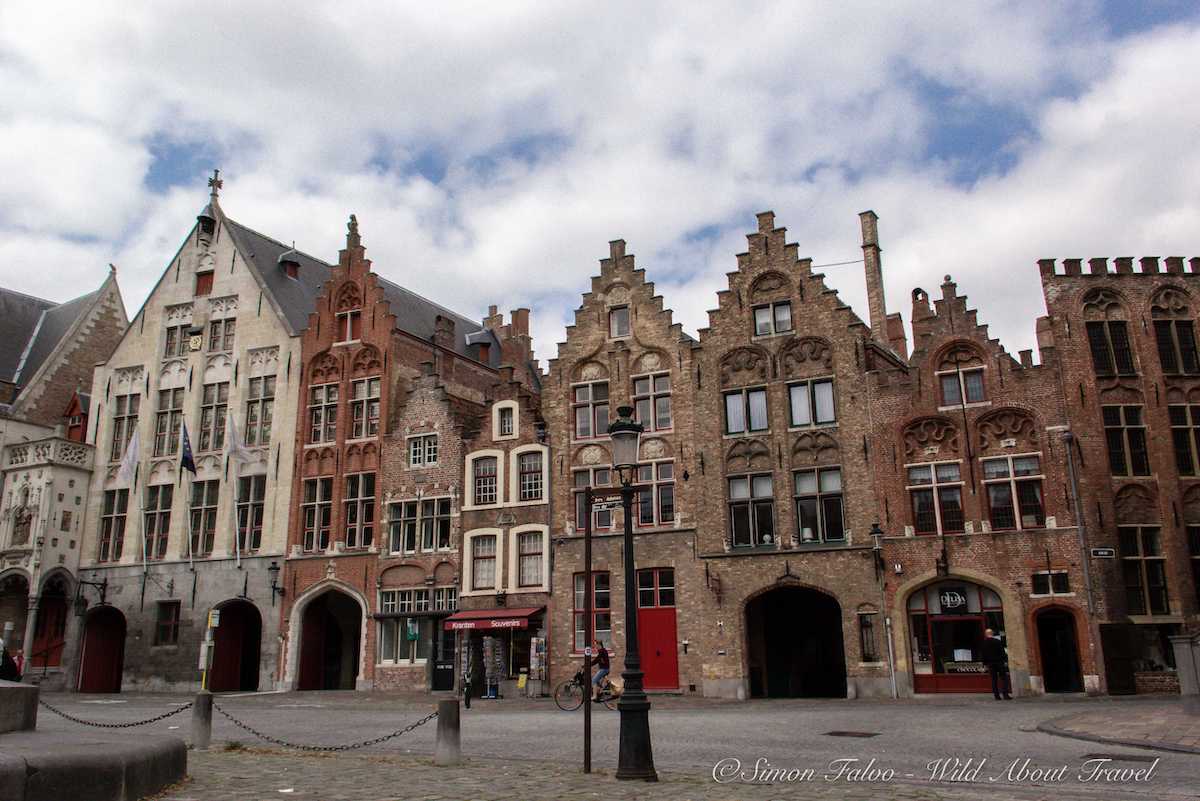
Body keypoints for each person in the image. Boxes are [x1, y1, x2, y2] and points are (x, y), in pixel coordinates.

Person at [982, 628, 1012, 700]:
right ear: (992, 634)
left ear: (986, 635)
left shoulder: (984, 643)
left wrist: (985, 664)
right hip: (999, 662)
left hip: (991, 663)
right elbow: (1002, 652)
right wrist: (1005, 661)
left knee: (994, 679)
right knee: (1003, 678)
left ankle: (997, 696)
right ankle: (1005, 695)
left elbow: (984, 655)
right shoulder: (998, 642)